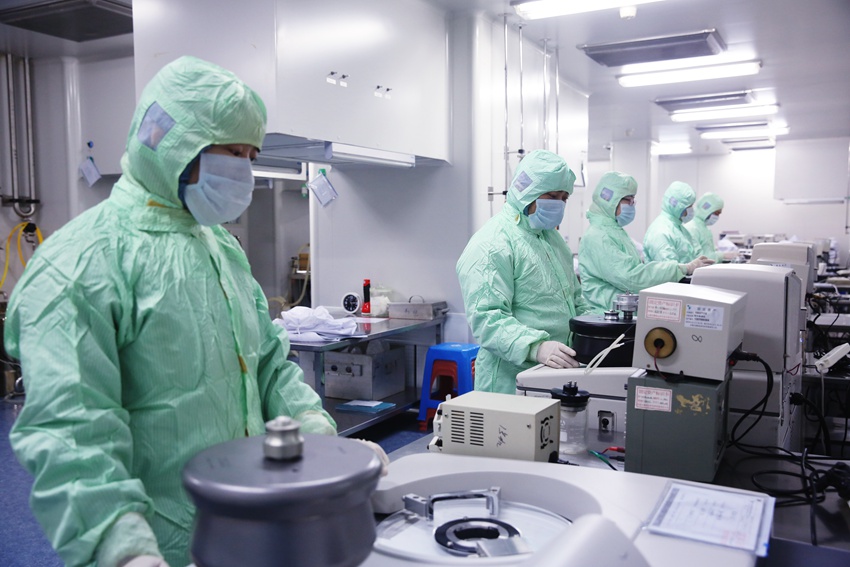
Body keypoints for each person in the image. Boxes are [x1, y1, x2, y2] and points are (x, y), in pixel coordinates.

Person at [6, 56, 339, 567]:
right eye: (234, 153)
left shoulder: (220, 249)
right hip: (159, 543)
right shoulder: (79, 263)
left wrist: (319, 439)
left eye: (251, 156)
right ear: (173, 143)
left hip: (250, 527)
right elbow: (72, 433)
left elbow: (269, 366)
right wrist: (125, 549)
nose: (244, 171)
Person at [456, 149, 590, 394]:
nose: (559, 204)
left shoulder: (552, 239)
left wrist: (594, 330)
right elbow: (487, 318)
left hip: (557, 373)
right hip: (510, 381)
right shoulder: (493, 242)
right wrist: (536, 347)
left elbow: (575, 300)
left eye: (564, 197)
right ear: (527, 191)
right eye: (552, 196)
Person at [578, 172, 711, 314]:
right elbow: (631, 277)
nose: (632, 205)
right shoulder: (599, 236)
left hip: (623, 313)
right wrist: (681, 269)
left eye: (633, 200)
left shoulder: (612, 230)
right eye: (629, 200)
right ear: (609, 199)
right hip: (607, 316)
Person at [643, 181, 713, 269]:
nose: (691, 210)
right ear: (677, 206)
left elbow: (695, 255)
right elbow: (669, 270)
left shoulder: (680, 228)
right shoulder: (661, 231)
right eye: (689, 206)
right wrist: (689, 268)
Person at [686, 192, 735, 263]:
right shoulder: (692, 228)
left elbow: (709, 251)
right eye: (716, 213)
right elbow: (698, 258)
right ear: (707, 209)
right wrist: (722, 256)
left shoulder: (705, 228)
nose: (717, 217)